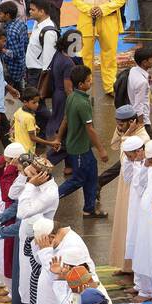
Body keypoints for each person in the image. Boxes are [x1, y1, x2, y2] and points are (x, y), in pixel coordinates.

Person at [55, 63, 108, 217]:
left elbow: (65, 119)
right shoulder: (82, 103)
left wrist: (58, 138)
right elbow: (90, 129)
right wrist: (102, 150)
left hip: (83, 147)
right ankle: (50, 199)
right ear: (80, 84)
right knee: (78, 179)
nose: (91, 82)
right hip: (79, 149)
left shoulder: (72, 96)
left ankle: (89, 209)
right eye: (88, 80)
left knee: (92, 174)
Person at [71, 0, 126, 93]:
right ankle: (85, 87)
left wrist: (103, 9)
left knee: (109, 55)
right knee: (85, 55)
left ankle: (110, 87)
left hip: (109, 19)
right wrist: (89, 10)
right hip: (87, 20)